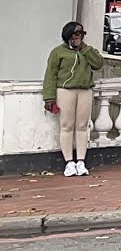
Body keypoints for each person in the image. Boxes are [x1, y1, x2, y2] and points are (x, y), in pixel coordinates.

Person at [42, 22, 103, 177]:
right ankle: (69, 162)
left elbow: (98, 64)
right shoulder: (58, 52)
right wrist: (49, 97)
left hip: (85, 90)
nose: (79, 36)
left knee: (82, 126)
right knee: (66, 126)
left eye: (82, 33)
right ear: (68, 35)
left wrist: (84, 48)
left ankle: (81, 161)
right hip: (65, 90)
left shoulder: (87, 50)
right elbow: (50, 75)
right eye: (76, 33)